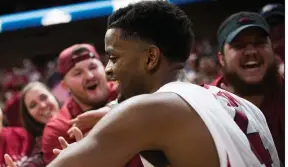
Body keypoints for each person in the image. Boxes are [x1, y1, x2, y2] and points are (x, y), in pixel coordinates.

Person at [47, 1, 280, 167]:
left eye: (114, 57)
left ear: (151, 58)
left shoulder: (149, 110)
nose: (108, 70)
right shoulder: (238, 104)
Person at [41, 43, 142, 166]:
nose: (89, 76)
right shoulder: (58, 130)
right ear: (65, 86)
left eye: (93, 67)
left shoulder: (132, 91)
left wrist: (112, 112)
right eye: (78, 73)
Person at [212, 11, 285, 165]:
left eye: (259, 43)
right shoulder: (206, 107)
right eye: (239, 46)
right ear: (221, 59)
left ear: (272, 51)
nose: (251, 52)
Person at [19, 81, 61, 166]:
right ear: (29, 116)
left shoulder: (84, 117)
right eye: (33, 105)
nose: (42, 105)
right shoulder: (39, 154)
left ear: (53, 96)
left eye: (44, 97)